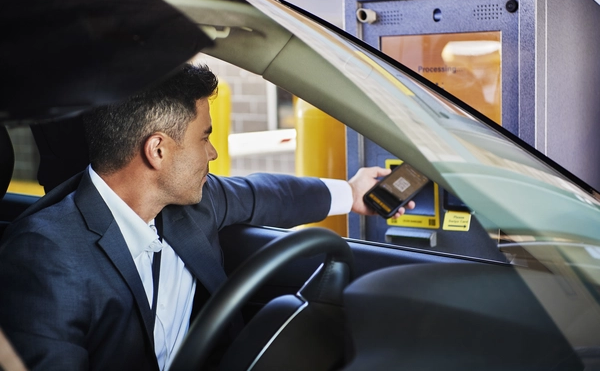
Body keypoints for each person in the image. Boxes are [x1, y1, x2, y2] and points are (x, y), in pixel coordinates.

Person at [0, 64, 413, 371]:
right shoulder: (44, 258)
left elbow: (265, 194)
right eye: (205, 136)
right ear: (157, 151)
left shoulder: (194, 202)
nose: (213, 153)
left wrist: (352, 193)